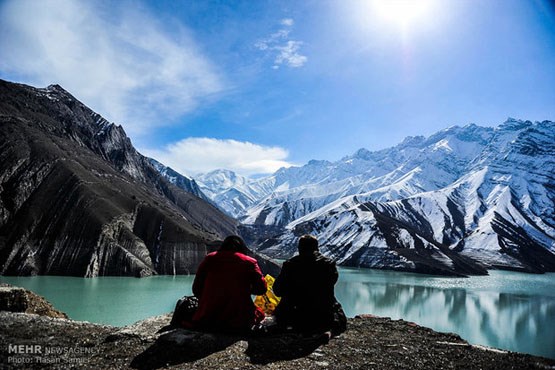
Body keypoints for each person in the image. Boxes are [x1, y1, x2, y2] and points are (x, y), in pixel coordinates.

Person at [273, 234, 346, 338]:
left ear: (299, 248)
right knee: (335, 310)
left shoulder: (290, 265)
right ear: (317, 248)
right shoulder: (328, 264)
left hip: (294, 314)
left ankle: (293, 327)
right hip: (323, 314)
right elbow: (331, 283)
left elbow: (277, 290)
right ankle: (326, 330)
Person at [192, 235, 267, 334]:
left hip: (207, 316)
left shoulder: (210, 258)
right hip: (239, 319)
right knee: (259, 313)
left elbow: (196, 289)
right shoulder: (250, 262)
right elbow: (261, 289)